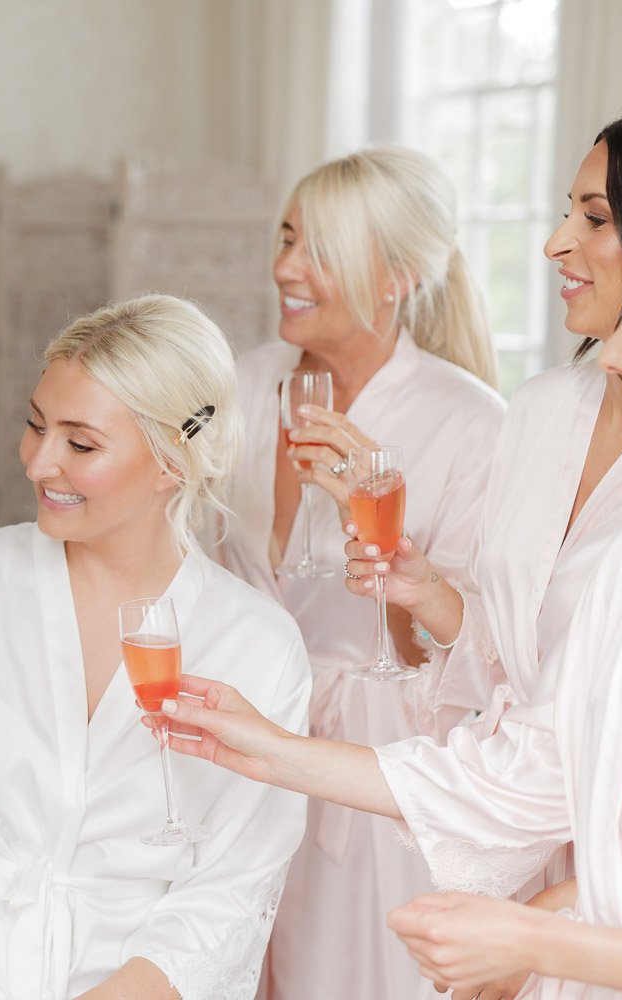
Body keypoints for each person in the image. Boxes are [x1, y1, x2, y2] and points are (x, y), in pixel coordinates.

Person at [154, 174, 622, 1000]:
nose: (616, 360)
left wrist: (541, 937)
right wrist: (263, 745)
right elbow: (536, 772)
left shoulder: (472, 419)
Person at [0, 295, 312, 999]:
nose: (38, 463)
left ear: (172, 460)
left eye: (80, 445)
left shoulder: (257, 644)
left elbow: (229, 896)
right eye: (35, 426)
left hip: (129, 978)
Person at [333, 96, 622, 999]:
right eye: (564, 212)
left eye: (595, 218)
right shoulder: (539, 411)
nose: (554, 243)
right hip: (507, 847)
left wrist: (548, 931)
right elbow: (509, 667)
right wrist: (428, 593)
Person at [213, 146, 505, 999]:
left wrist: (371, 525)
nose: (285, 268)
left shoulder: (471, 423)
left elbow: (467, 666)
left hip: (371, 765)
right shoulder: (242, 386)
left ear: (396, 279)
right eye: (286, 238)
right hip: (235, 740)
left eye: (320, 250)